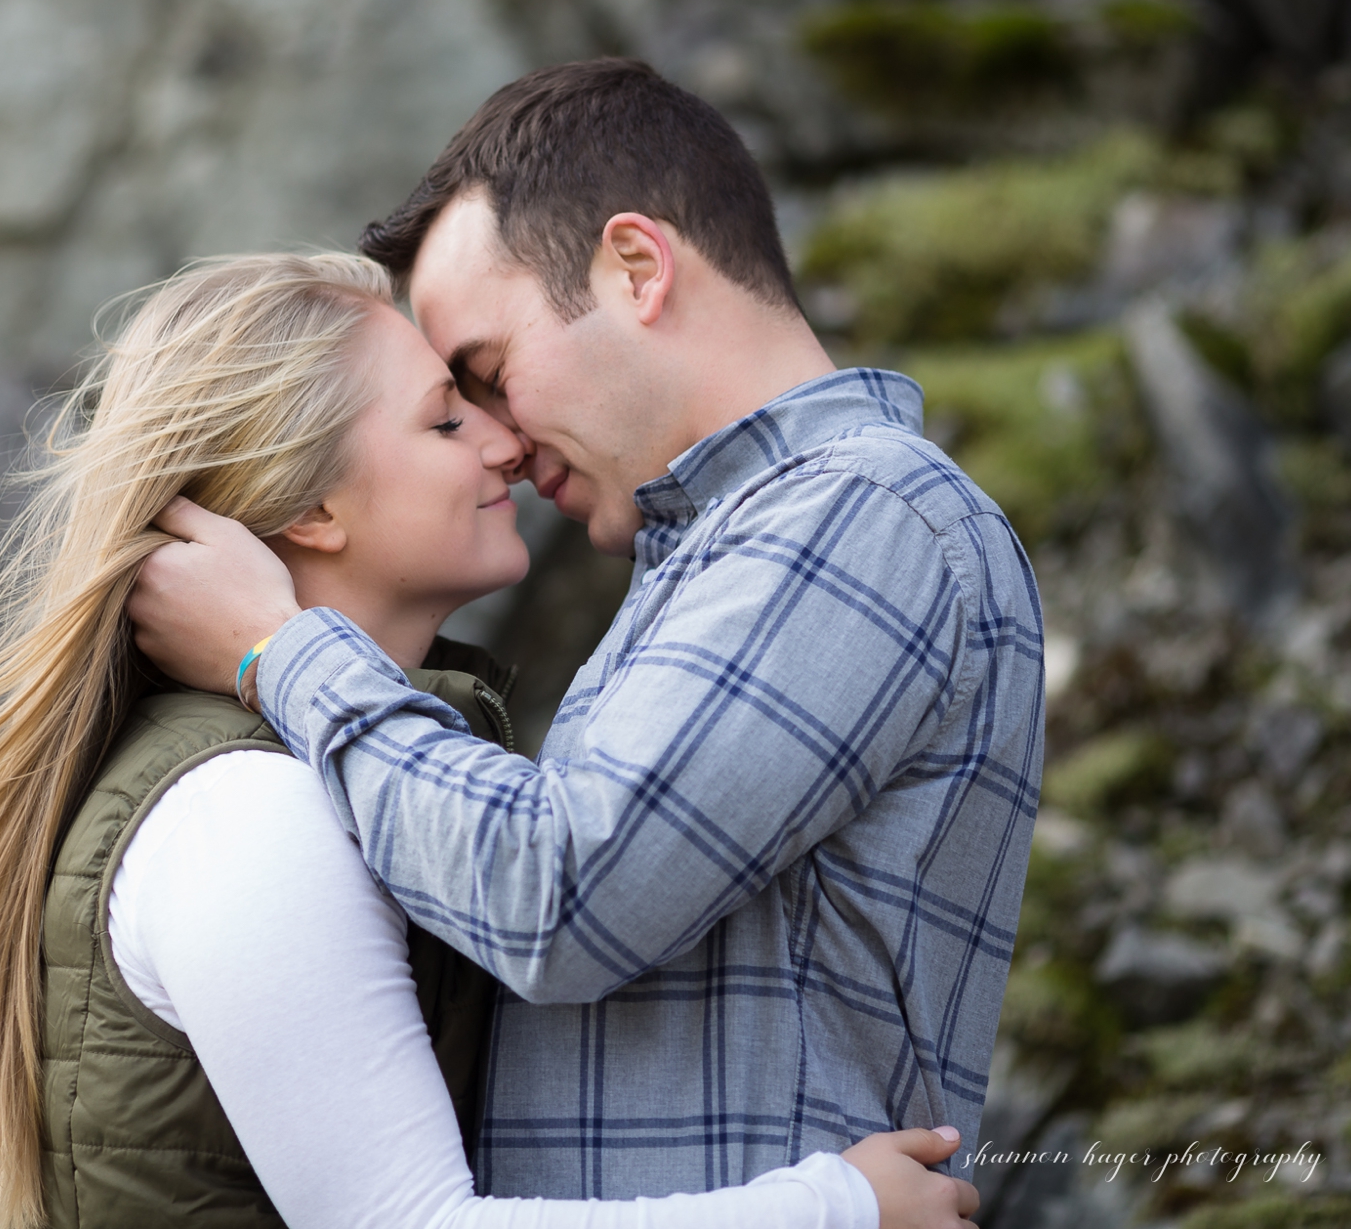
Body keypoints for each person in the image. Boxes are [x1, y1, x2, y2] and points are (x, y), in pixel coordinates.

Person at [0, 251, 981, 1229]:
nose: (503, 442)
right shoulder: (245, 815)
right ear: (309, 508)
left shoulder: (312, 771)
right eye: (443, 415)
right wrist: (836, 1207)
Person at [129, 60, 1044, 1202]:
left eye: (490, 374)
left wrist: (283, 655)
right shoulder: (717, 552)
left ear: (635, 268)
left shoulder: (860, 515)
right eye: (457, 405)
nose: (500, 442)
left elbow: (557, 898)